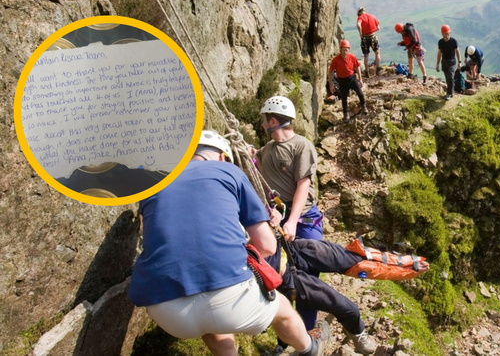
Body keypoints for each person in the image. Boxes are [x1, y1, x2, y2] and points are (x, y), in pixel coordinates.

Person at [128, 130, 329, 356]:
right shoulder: (228, 171)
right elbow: (267, 245)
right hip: (228, 299)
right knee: (282, 311)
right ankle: (310, 348)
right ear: (222, 156)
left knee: (211, 325)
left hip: (165, 309)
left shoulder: (154, 180)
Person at [254, 96, 324, 331]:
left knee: (309, 275)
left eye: (264, 121)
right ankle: (285, 334)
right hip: (278, 218)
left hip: (302, 218)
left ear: (273, 121)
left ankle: (308, 329)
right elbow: (254, 158)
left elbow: (303, 184)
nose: (263, 125)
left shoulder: (301, 145)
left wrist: (292, 221)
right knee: (279, 277)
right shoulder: (267, 150)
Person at [328, 40, 367, 122]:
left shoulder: (352, 56)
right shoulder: (336, 59)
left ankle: (364, 107)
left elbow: (357, 67)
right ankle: (346, 115)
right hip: (342, 81)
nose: (345, 52)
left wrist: (360, 79)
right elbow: (330, 71)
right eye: (344, 50)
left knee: (360, 93)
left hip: (352, 78)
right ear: (340, 49)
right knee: (344, 98)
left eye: (347, 50)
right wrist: (331, 84)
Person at [435, 24, 461, 100]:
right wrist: (437, 64)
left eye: (446, 33)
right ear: (442, 33)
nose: (445, 35)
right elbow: (439, 53)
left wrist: (459, 62)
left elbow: (457, 51)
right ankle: (451, 91)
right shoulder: (440, 42)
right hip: (444, 62)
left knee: (450, 76)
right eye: (444, 34)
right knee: (447, 78)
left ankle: (449, 93)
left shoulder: (453, 41)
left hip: (452, 62)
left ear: (449, 33)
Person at [356, 7, 381, 77]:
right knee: (377, 52)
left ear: (359, 13)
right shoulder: (372, 16)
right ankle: (378, 69)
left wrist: (360, 32)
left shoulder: (360, 18)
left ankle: (367, 72)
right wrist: (371, 31)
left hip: (364, 39)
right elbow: (378, 27)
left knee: (366, 55)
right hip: (373, 37)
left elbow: (358, 24)